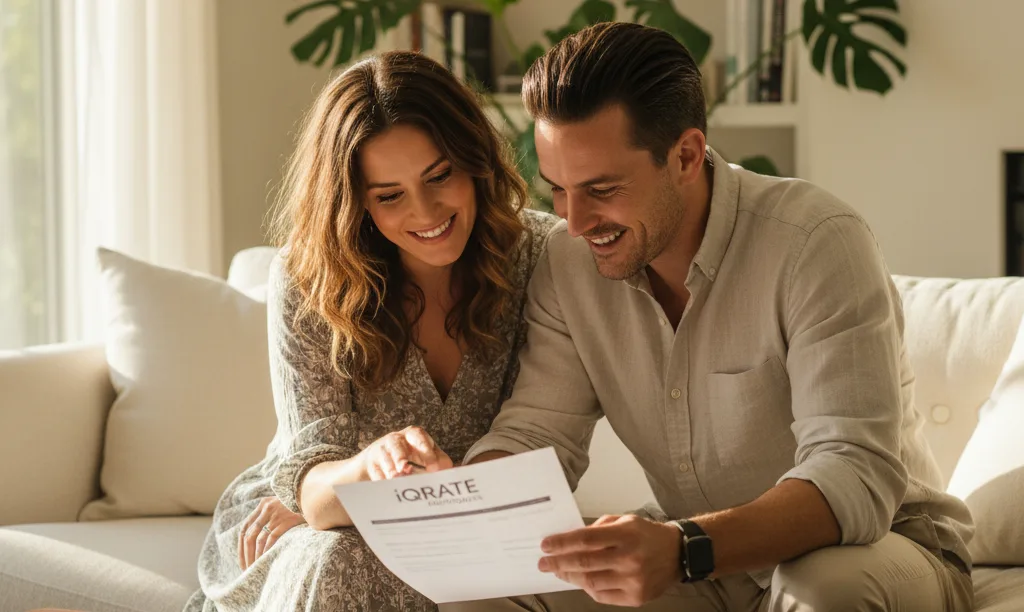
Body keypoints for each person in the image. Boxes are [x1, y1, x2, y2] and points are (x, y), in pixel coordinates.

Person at [447, 22, 975, 612]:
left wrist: (681, 547)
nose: (575, 221)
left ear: (686, 155)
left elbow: (854, 472)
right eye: (559, 191)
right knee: (484, 596)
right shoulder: (569, 264)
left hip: (878, 549)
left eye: (602, 189)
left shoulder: (816, 242)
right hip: (699, 554)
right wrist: (457, 500)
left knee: (823, 591)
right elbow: (536, 436)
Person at [183, 51, 557, 611]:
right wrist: (360, 480)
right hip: (308, 514)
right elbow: (310, 481)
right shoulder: (309, 280)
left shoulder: (539, 256)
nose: (426, 210)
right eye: (389, 195)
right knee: (336, 557)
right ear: (355, 201)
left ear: (474, 161)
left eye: (441, 175)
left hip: (460, 526)